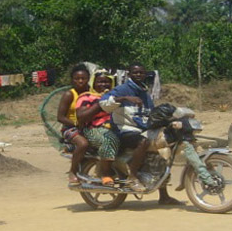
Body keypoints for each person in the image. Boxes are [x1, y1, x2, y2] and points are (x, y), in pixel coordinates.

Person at [100, 63, 180, 205]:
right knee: (143, 142)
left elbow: (150, 114)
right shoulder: (121, 89)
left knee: (164, 147)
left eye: (141, 73)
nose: (138, 75)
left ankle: (164, 195)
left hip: (142, 130)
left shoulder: (145, 92)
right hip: (124, 130)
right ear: (129, 74)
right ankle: (133, 176)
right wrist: (124, 98)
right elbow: (104, 103)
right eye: (135, 73)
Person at [74, 72, 119, 185]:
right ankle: (104, 173)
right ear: (93, 83)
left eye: (107, 82)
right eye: (100, 82)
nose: (103, 84)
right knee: (109, 140)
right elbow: (81, 117)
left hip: (115, 128)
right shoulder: (86, 97)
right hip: (92, 129)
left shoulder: (116, 97)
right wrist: (100, 105)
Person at [56, 64, 92, 185]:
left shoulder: (92, 92)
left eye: (84, 78)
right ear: (72, 79)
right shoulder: (69, 95)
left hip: (89, 126)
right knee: (83, 144)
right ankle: (73, 171)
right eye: (77, 78)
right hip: (70, 128)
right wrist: (76, 124)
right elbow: (60, 117)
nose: (80, 81)